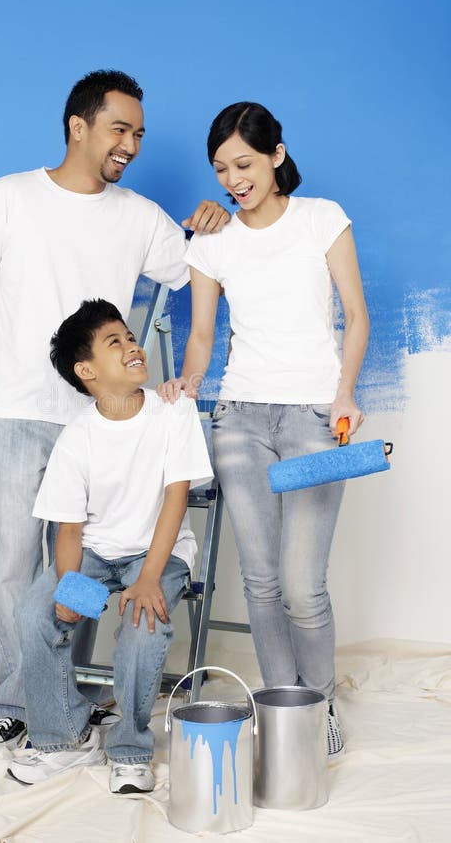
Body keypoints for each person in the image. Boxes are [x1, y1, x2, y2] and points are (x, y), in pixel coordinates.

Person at [0, 70, 228, 756]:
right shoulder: (10, 196)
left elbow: (209, 271)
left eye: (139, 133)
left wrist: (215, 222)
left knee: (78, 563)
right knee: (8, 565)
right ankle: (18, 702)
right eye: (121, 128)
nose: (132, 145)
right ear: (79, 126)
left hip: (103, 420)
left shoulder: (140, 217)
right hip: (19, 408)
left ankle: (58, 698)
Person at [159, 101, 369, 759]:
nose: (234, 179)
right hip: (239, 419)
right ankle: (285, 711)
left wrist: (344, 395)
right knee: (260, 581)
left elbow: (356, 316)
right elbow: (199, 336)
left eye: (245, 163)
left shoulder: (321, 219)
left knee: (303, 583)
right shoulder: (211, 241)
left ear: (277, 154)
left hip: (312, 413)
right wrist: (183, 387)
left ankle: (322, 701)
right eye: (222, 169)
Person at [6, 299, 212, 793]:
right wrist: (72, 591)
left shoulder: (173, 409)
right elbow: (70, 532)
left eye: (130, 337)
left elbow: (175, 499)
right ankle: (65, 739)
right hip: (94, 553)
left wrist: (147, 578)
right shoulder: (77, 438)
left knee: (143, 624)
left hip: (156, 553)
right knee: (37, 612)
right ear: (86, 371)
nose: (132, 347)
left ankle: (130, 748)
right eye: (114, 342)